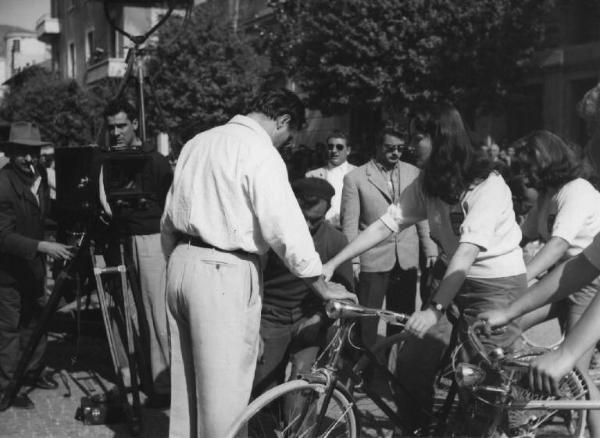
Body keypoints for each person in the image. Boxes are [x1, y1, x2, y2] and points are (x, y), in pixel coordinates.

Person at [160, 88, 356, 438]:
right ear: (282, 120)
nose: (284, 144)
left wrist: (178, 262)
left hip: (182, 262)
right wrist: (321, 286)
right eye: (287, 136)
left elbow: (168, 217)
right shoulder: (259, 151)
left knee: (187, 393)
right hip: (222, 270)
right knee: (224, 399)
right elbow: (286, 228)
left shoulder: (198, 142)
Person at [325, 104, 527, 433]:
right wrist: (334, 263)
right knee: (411, 365)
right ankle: (418, 430)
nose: (409, 146)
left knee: (478, 384)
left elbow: (466, 253)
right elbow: (384, 225)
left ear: (439, 139)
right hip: (451, 281)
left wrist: (434, 308)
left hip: (495, 288)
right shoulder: (428, 182)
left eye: (417, 138)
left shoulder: (488, 185)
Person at [479, 130, 600, 435]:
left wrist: (520, 280)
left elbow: (558, 246)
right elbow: (523, 236)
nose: (525, 176)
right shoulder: (548, 196)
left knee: (578, 375)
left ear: (545, 160)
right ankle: (505, 410)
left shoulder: (577, 191)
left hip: (588, 286)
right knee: (509, 327)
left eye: (526, 167)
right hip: (566, 276)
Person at [95, 98, 173, 408]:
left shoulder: (154, 160)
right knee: (130, 312)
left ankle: (164, 384)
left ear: (136, 124)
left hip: (151, 241)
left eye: (122, 126)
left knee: (156, 312)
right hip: (121, 241)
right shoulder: (108, 160)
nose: (116, 132)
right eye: (111, 127)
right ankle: (139, 375)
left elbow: (169, 204)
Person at [252, 177, 354, 396]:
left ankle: (299, 428)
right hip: (270, 318)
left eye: (315, 220)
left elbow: (347, 296)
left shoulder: (336, 241)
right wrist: (253, 329)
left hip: (310, 319)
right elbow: (249, 285)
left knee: (300, 388)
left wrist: (319, 319)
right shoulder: (270, 236)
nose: (307, 226)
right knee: (262, 391)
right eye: (303, 218)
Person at [340, 126, 438, 350]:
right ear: (377, 146)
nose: (396, 153)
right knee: (367, 321)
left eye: (400, 149)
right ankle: (362, 372)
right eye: (390, 148)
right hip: (372, 259)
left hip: (406, 258)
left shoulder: (414, 173)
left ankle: (394, 370)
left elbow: (422, 215)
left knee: (402, 319)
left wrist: (429, 248)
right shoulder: (354, 178)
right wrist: (353, 260)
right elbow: (350, 224)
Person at [0, 122, 75, 409]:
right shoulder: (3, 184)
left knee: (37, 321)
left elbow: (43, 215)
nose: (29, 159)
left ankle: (31, 371)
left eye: (33, 153)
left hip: (33, 267)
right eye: (22, 153)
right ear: (10, 152)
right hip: (7, 272)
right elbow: (3, 236)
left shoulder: (39, 175)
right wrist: (43, 247)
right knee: (8, 332)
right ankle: (6, 389)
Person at [305, 130, 356, 228]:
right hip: (323, 229)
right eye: (330, 147)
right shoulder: (312, 175)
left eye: (339, 147)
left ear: (348, 150)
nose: (334, 150)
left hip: (351, 229)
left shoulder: (358, 173)